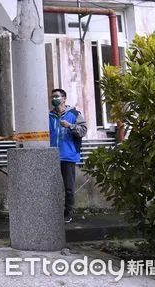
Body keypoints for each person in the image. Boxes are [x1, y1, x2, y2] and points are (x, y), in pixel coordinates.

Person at [49, 89, 87, 223]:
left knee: (69, 188)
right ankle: (52, 212)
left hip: (68, 155)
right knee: (51, 186)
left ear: (64, 99)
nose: (54, 99)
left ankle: (68, 213)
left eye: (57, 96)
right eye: (53, 96)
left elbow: (83, 131)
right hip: (51, 156)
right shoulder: (49, 116)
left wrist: (70, 126)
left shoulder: (74, 114)